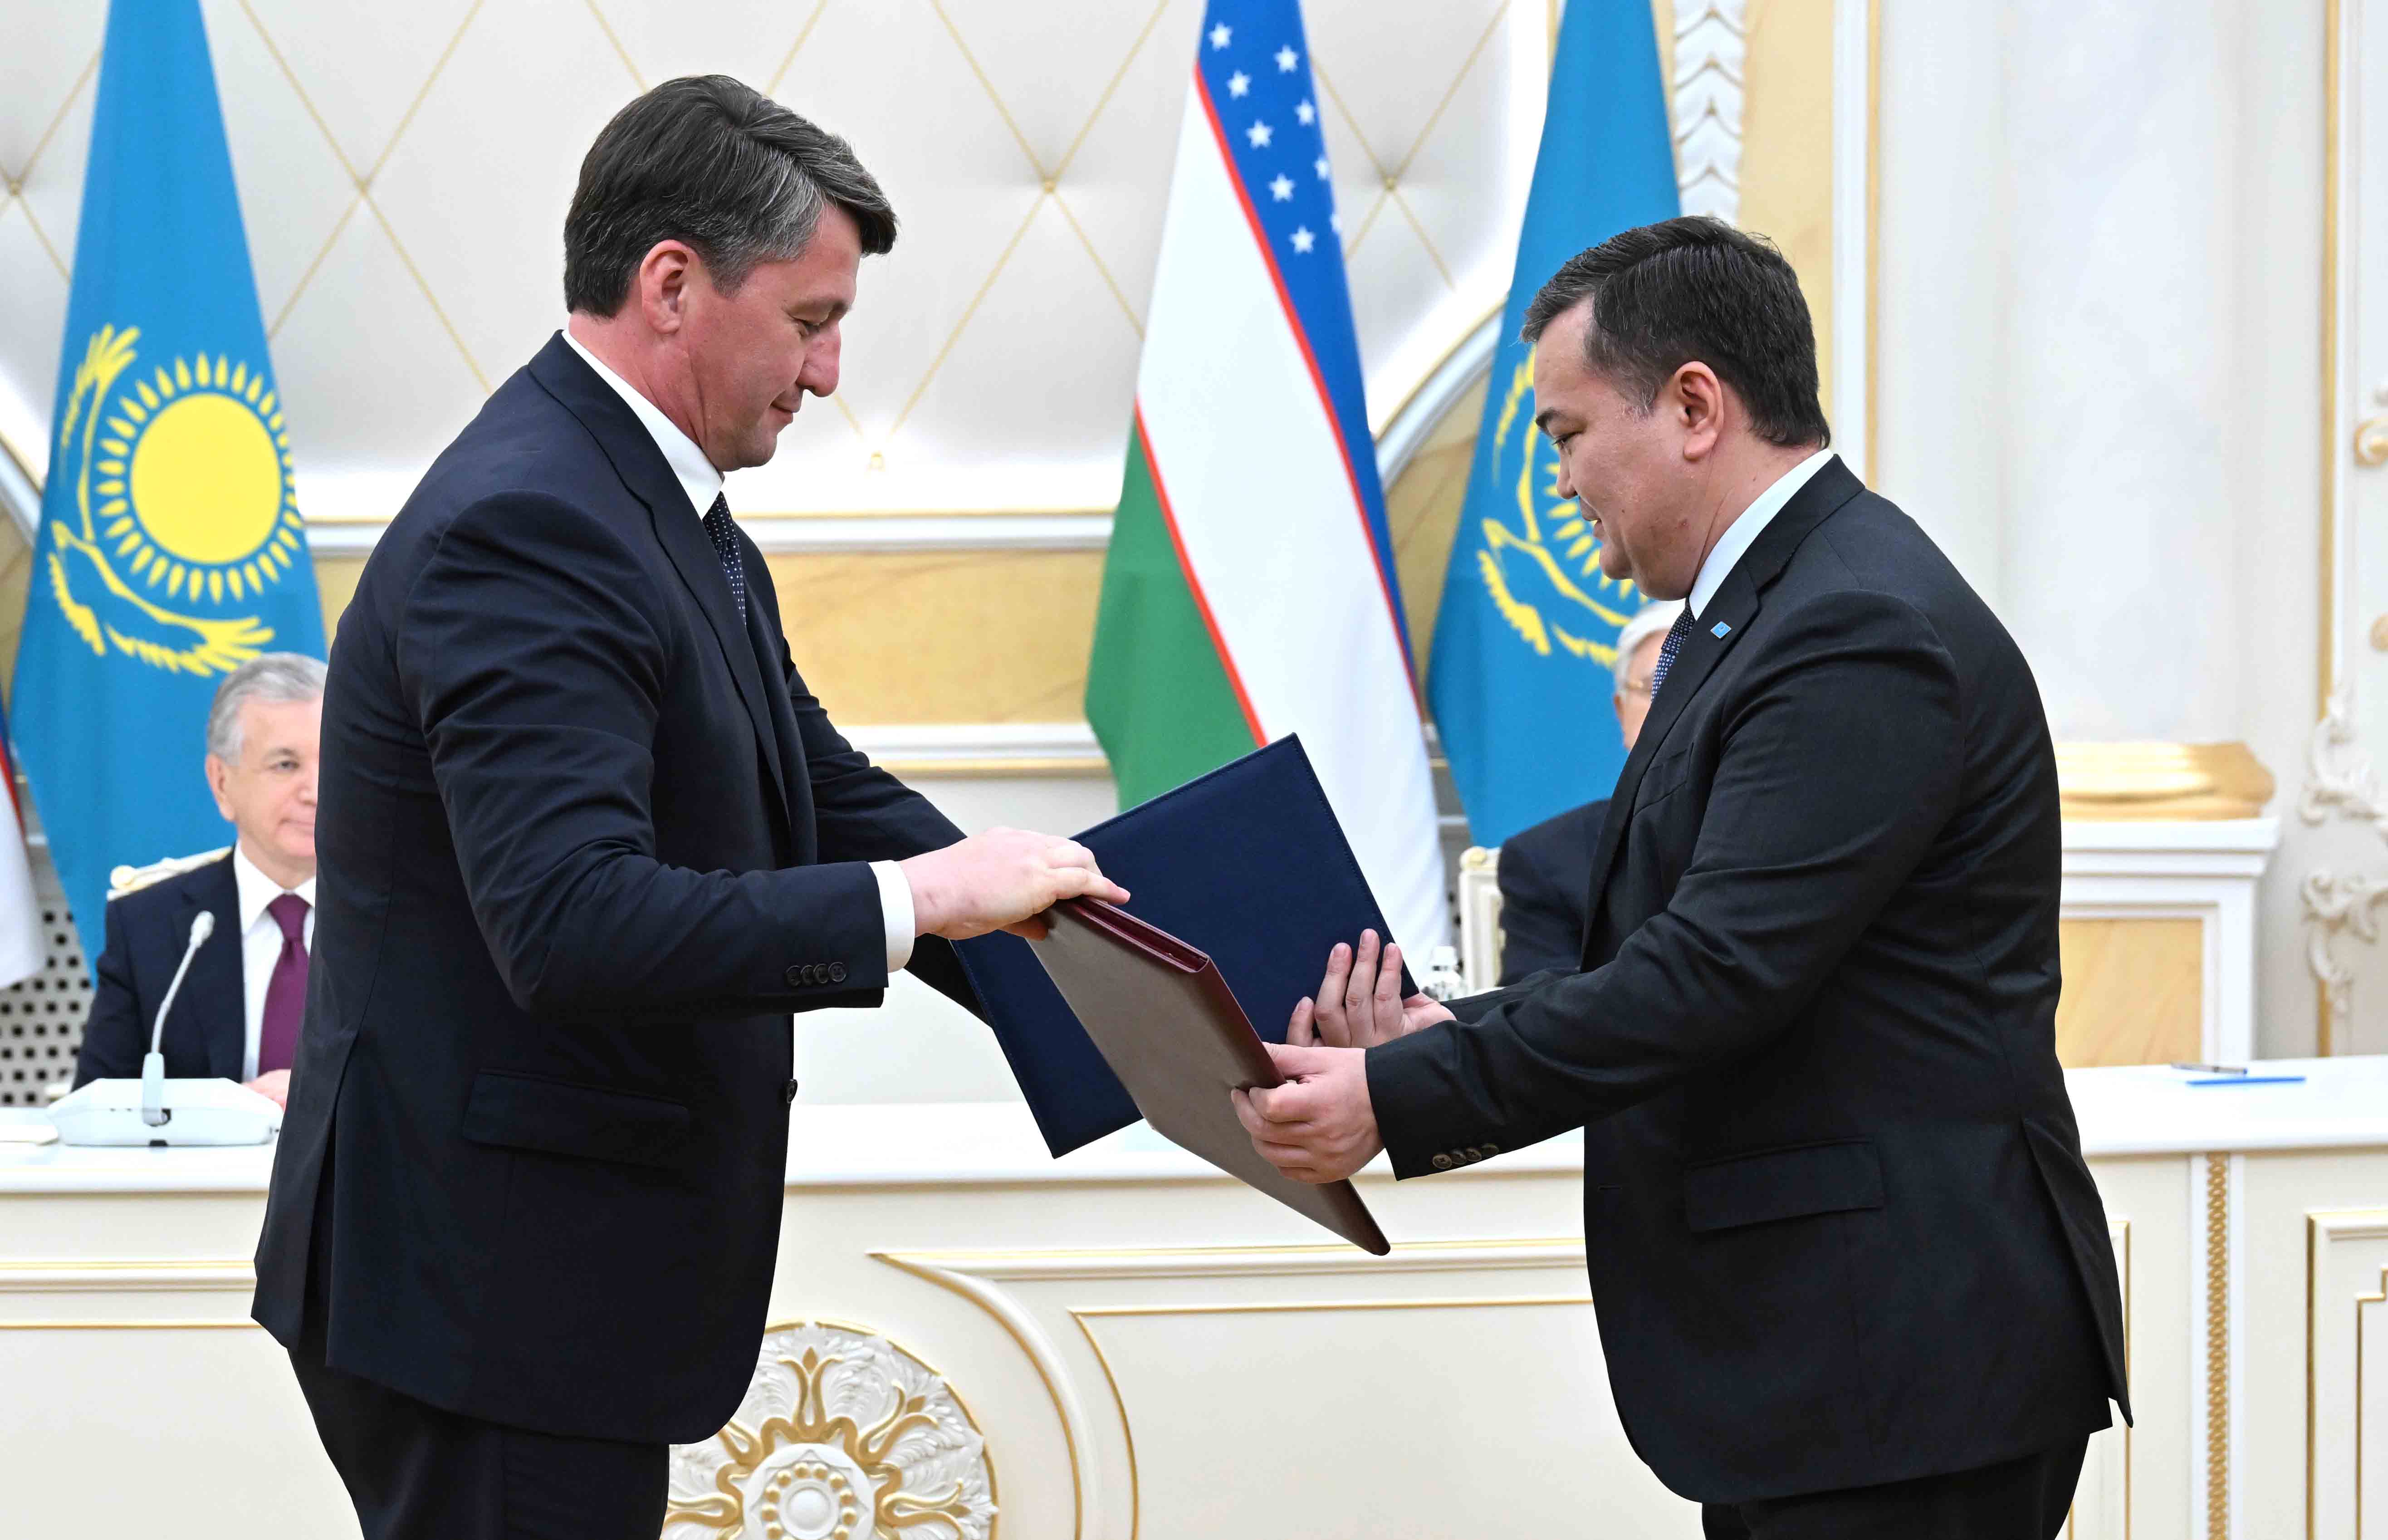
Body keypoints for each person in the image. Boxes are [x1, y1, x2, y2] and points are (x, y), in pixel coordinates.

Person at [249, 76, 1126, 1540]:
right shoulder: (531, 521)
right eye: (809, 320)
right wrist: (926, 903)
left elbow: (822, 791)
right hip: (484, 1295)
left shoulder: (653, 506)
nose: (829, 372)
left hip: (530, 1288)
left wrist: (1142, 989)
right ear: (670, 284)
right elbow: (570, 921)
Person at [1237, 216, 2126, 1540]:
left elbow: (1715, 974)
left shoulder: (1852, 625)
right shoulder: (1767, 609)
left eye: (1566, 433)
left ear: (1695, 407)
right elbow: (1680, 952)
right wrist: (1438, 1034)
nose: (1558, 480)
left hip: (1897, 1374)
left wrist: (1399, 1095)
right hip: (1831, 1370)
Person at [73, 653, 324, 1108]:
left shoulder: (411, 919)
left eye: (336, 762)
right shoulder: (148, 926)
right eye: (286, 765)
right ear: (221, 782)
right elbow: (99, 1107)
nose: (316, 790)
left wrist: (328, 1099)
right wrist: (222, 1112)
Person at [1494, 597, 1682, 983]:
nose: (1682, 703)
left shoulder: (1787, 837)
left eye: (1703, 684)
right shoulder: (1545, 861)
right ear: (1622, 712)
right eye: (1658, 684)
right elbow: (1533, 1009)